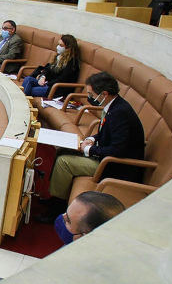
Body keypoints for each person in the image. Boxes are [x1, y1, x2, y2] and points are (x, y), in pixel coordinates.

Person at [41, 72, 145, 220]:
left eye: (91, 94)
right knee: (63, 151)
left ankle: (57, 207)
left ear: (104, 94)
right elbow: (106, 135)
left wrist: (89, 150)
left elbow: (117, 150)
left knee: (64, 162)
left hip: (116, 166)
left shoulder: (120, 113)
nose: (89, 97)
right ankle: (56, 196)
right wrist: (92, 139)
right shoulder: (114, 106)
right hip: (106, 157)